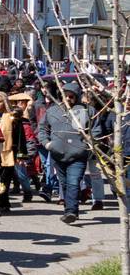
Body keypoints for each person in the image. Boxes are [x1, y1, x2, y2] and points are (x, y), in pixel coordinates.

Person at [37, 83, 92, 224]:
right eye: (65, 95)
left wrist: (87, 145)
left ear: (77, 96)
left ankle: (71, 212)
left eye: (71, 96)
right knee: (65, 183)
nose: (68, 98)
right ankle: (71, 208)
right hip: (58, 154)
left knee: (74, 182)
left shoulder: (85, 111)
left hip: (78, 155)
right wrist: (47, 143)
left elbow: (95, 130)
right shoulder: (52, 111)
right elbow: (42, 129)